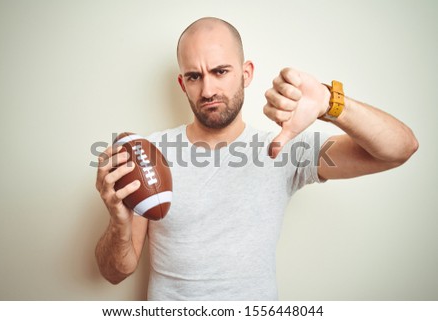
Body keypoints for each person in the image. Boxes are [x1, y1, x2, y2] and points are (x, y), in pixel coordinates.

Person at [94, 17, 418, 300]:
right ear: (182, 83)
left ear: (246, 73)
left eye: (220, 71)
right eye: (194, 76)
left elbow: (399, 149)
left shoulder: (283, 149)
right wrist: (118, 225)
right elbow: (115, 272)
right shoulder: (151, 152)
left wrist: (330, 104)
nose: (207, 89)